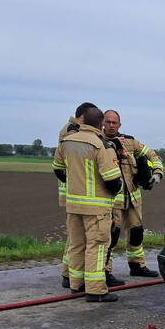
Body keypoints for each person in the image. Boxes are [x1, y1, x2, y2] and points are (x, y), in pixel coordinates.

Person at [52, 106, 122, 302]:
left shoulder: (66, 141)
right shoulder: (101, 145)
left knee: (76, 245)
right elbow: (112, 179)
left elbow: (58, 169)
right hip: (96, 208)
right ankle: (96, 290)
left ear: (82, 121)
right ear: (100, 124)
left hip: (73, 205)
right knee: (97, 247)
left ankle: (77, 285)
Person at [102, 109, 164, 279]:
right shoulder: (99, 143)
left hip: (133, 198)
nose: (111, 125)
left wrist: (157, 172)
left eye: (114, 122)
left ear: (120, 124)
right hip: (112, 200)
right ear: (102, 123)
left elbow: (152, 154)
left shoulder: (130, 142)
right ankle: (105, 271)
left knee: (137, 233)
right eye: (108, 122)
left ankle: (137, 265)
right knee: (111, 236)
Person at [58, 102, 98, 287]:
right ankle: (71, 276)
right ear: (82, 117)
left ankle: (71, 277)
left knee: (75, 240)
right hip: (81, 192)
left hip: (75, 191)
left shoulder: (69, 131)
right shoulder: (72, 132)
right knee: (79, 241)